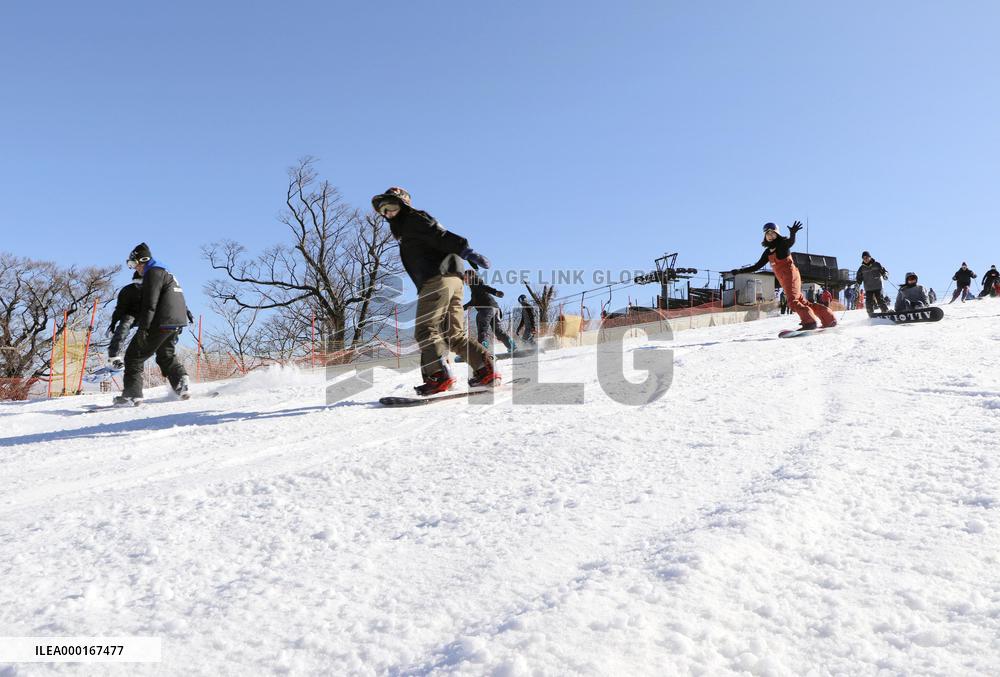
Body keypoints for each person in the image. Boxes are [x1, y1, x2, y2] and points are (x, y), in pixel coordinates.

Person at [371, 187, 497, 395]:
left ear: (403, 204)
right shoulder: (409, 226)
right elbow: (437, 241)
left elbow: (439, 235)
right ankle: (486, 370)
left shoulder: (413, 219)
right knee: (453, 333)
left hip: (436, 279)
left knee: (425, 329)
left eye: (392, 206)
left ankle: (438, 376)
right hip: (453, 280)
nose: (388, 213)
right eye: (384, 211)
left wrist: (466, 251)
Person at [114, 243, 192, 406]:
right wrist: (186, 312)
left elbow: (150, 304)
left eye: (133, 264)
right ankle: (181, 383)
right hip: (176, 321)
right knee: (165, 356)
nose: (135, 269)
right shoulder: (166, 271)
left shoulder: (153, 273)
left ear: (142, 260)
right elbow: (173, 296)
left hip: (161, 321)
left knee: (134, 356)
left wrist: (144, 328)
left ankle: (132, 395)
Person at [730, 221, 837, 330]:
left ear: (777, 234)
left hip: (790, 275)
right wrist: (739, 271)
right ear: (765, 237)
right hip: (784, 280)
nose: (770, 236)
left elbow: (790, 242)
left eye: (773, 233)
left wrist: (793, 233)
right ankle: (828, 318)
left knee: (792, 302)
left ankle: (809, 322)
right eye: (768, 234)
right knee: (801, 301)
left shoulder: (782, 244)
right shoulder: (768, 252)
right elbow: (757, 266)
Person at [463, 270, 515, 353]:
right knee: (498, 331)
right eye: (464, 278)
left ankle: (483, 350)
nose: (464, 279)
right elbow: (473, 302)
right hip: (495, 308)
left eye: (466, 277)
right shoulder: (474, 288)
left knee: (482, 330)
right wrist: (461, 308)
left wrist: (495, 292)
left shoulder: (476, 282)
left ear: (471, 276)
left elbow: (485, 287)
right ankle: (511, 345)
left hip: (486, 309)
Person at [106, 271, 144, 370]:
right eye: (137, 283)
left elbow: (169, 300)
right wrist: (114, 322)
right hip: (131, 314)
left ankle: (140, 356)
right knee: (124, 326)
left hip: (147, 315)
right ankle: (113, 356)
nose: (139, 286)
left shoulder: (153, 289)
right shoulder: (128, 290)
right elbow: (120, 308)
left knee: (149, 332)